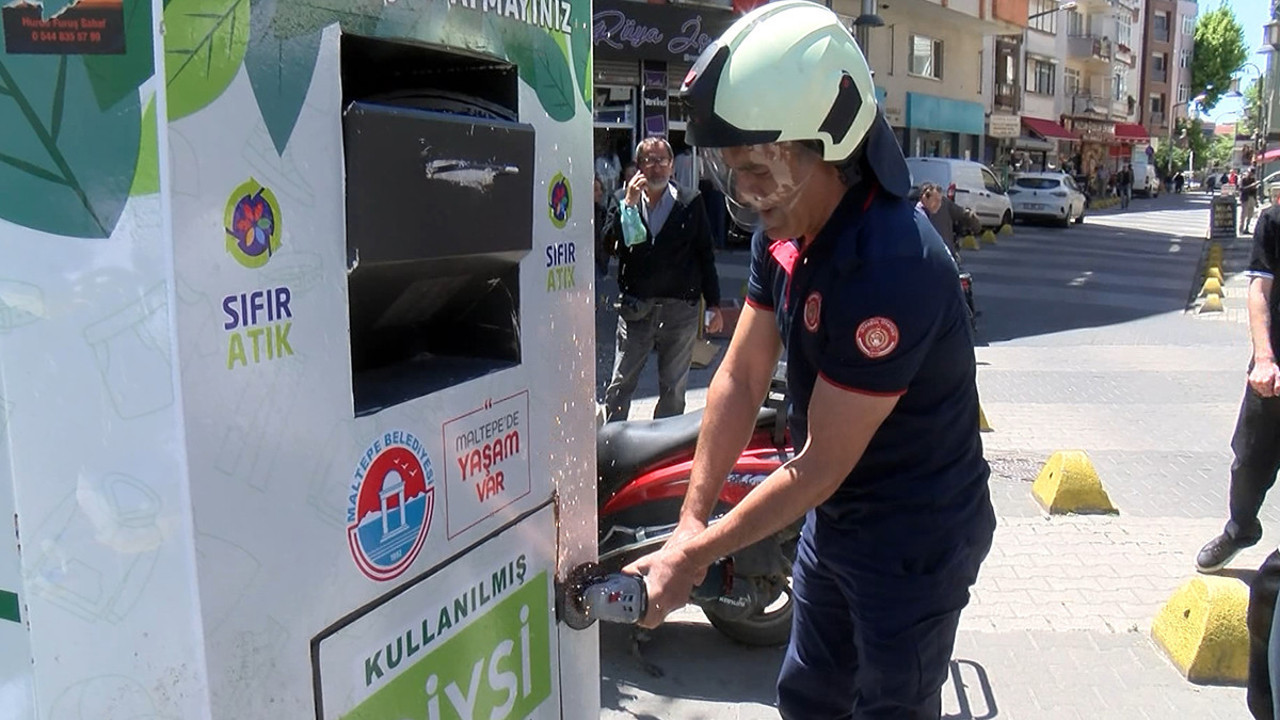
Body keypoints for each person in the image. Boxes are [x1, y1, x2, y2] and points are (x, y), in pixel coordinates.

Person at [624, 3, 995, 717]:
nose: (747, 193)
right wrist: (690, 524)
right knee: (810, 696)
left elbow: (821, 462)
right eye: (733, 171)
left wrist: (693, 558)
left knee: (891, 705)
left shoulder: (891, 263)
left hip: (914, 538)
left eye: (759, 169)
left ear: (831, 143)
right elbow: (739, 376)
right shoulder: (786, 228)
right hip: (835, 518)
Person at [602, 136, 724, 422]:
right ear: (638, 166)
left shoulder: (690, 201)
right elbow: (609, 246)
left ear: (671, 166)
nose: (656, 167)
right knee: (621, 383)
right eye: (649, 160)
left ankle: (664, 443)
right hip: (636, 307)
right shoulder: (621, 199)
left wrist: (714, 304)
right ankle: (612, 441)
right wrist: (628, 205)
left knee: (673, 389)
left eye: (661, 160)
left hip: (679, 310)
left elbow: (705, 253)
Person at [1195, 195, 1280, 575]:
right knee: (1248, 463)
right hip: (1273, 371)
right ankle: (1240, 529)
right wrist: (1264, 358)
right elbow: (1259, 291)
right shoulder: (1274, 221)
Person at [917, 182, 980, 261]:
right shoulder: (917, 213)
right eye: (936, 201)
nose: (938, 204)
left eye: (940, 201)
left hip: (943, 255)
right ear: (924, 198)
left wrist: (974, 222)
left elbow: (964, 214)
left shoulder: (945, 204)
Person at [594, 175, 621, 277]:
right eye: (595, 190)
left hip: (602, 264)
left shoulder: (603, 212)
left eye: (601, 189)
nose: (600, 193)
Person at [1243, 168, 1260, 236]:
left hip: (1252, 198)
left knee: (1250, 214)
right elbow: (1242, 189)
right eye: (1250, 172)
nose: (1251, 174)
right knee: (1244, 214)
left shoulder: (1253, 180)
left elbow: (1255, 192)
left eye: (1252, 173)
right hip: (1245, 198)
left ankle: (1247, 228)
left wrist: (1256, 201)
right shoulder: (1244, 179)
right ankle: (1241, 229)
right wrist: (1251, 186)